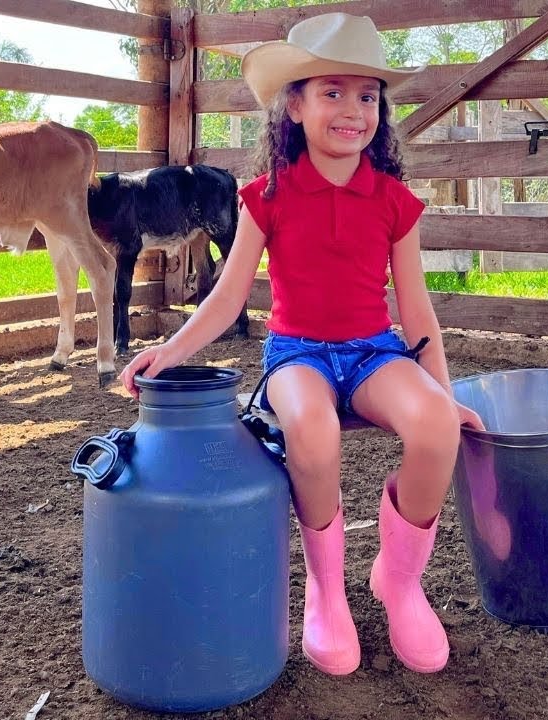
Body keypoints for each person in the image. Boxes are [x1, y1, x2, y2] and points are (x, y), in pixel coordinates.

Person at [119, 12, 484, 676]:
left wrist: (446, 395)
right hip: (297, 353)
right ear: (294, 104)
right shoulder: (266, 197)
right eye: (332, 92)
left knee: (436, 425)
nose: (353, 110)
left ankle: (398, 583)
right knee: (312, 429)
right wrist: (168, 351)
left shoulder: (394, 201)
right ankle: (326, 590)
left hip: (374, 349)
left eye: (367, 96)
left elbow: (415, 307)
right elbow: (229, 297)